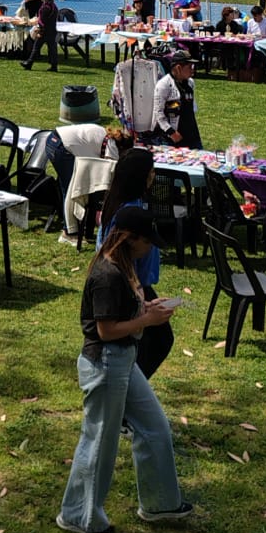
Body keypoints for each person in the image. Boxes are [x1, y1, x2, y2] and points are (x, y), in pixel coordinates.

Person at [56, 208, 191, 533]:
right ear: (130, 239)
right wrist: (147, 321)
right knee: (99, 442)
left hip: (125, 361)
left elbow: (122, 312)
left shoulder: (124, 265)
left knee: (154, 426)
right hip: (105, 364)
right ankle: (79, 516)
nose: (150, 247)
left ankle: (160, 503)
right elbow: (106, 331)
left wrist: (146, 308)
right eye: (148, 241)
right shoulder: (107, 275)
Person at [98, 147, 173, 377]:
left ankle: (134, 385)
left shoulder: (120, 202)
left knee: (156, 340)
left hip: (137, 284)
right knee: (155, 341)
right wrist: (140, 298)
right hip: (132, 283)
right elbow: (105, 330)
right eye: (151, 172)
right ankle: (131, 386)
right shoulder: (128, 214)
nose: (153, 176)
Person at [42, 121, 128, 244]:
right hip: (62, 147)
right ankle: (68, 233)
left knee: (65, 188)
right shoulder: (112, 147)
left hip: (53, 140)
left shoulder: (105, 134)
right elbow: (110, 170)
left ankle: (69, 224)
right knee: (71, 190)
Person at [154, 50, 200, 148]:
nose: (192, 70)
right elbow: (158, 112)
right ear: (179, 68)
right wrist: (171, 132)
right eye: (189, 67)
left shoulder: (190, 83)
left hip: (191, 133)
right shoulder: (164, 85)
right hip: (173, 137)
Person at [21, 0, 59, 72]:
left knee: (36, 47)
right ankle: (54, 66)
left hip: (44, 31)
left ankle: (29, 63)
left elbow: (42, 20)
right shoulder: (53, 6)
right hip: (52, 30)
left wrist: (39, 29)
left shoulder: (45, 7)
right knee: (52, 49)